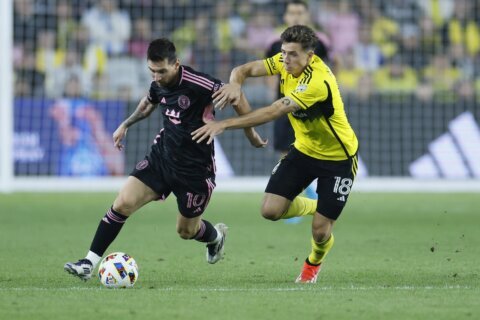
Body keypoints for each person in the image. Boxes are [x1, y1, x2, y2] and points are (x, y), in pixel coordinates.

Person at [64, 38, 266, 280]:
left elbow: (237, 96)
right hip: (162, 158)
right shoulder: (157, 83)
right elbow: (149, 102)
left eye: (161, 71)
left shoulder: (199, 83)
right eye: (152, 71)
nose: (156, 77)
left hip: (195, 170)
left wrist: (250, 132)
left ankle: (216, 237)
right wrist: (126, 124)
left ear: (177, 64)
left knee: (186, 230)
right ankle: (88, 263)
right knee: (122, 203)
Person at [192, 25, 359, 283]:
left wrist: (223, 124)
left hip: (338, 158)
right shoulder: (282, 62)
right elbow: (243, 70)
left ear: (310, 56)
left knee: (320, 232)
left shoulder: (318, 82)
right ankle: (321, 206)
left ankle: (312, 264)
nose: (286, 59)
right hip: (304, 151)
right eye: (283, 53)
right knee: (269, 210)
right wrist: (235, 84)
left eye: (293, 54)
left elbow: (273, 111)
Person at [266, 0, 330, 203]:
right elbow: (271, 76)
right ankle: (291, 197)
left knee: (314, 151)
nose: (295, 17)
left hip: (312, 109)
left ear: (307, 16)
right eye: (291, 13)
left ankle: (314, 194)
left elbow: (329, 73)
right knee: (286, 153)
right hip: (285, 107)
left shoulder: (320, 43)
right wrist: (274, 102)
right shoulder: (275, 45)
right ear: (285, 17)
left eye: (299, 13)